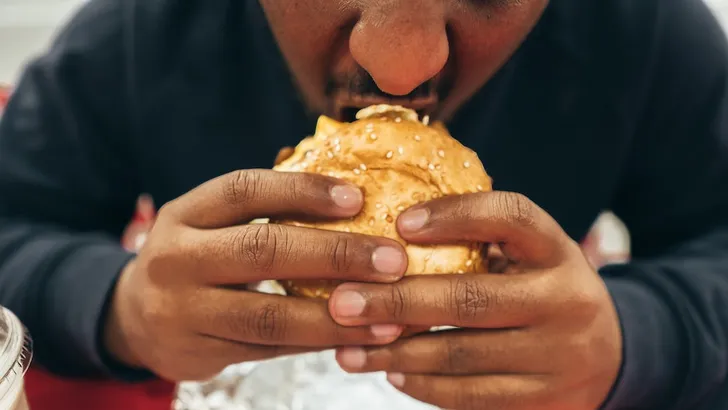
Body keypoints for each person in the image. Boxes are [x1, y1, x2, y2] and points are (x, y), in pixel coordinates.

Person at [0, 0, 726, 408]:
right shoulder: (143, 27)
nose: (399, 69)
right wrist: (118, 307)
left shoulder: (644, 26)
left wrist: (638, 339)